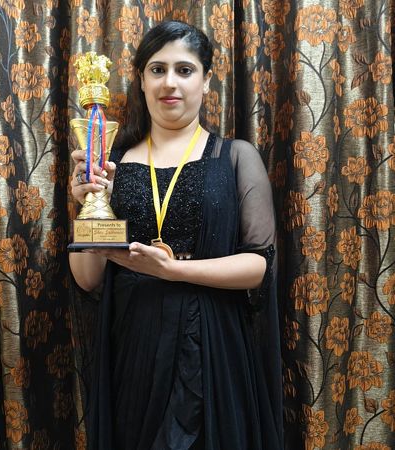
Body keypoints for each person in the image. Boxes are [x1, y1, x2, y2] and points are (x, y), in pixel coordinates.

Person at [69, 20, 283, 450]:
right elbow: (88, 279)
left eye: (184, 70)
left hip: (215, 345)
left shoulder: (235, 157)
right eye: (157, 69)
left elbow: (259, 266)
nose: (170, 82)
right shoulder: (109, 163)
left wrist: (173, 271)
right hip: (134, 347)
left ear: (206, 81)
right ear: (141, 80)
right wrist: (89, 206)